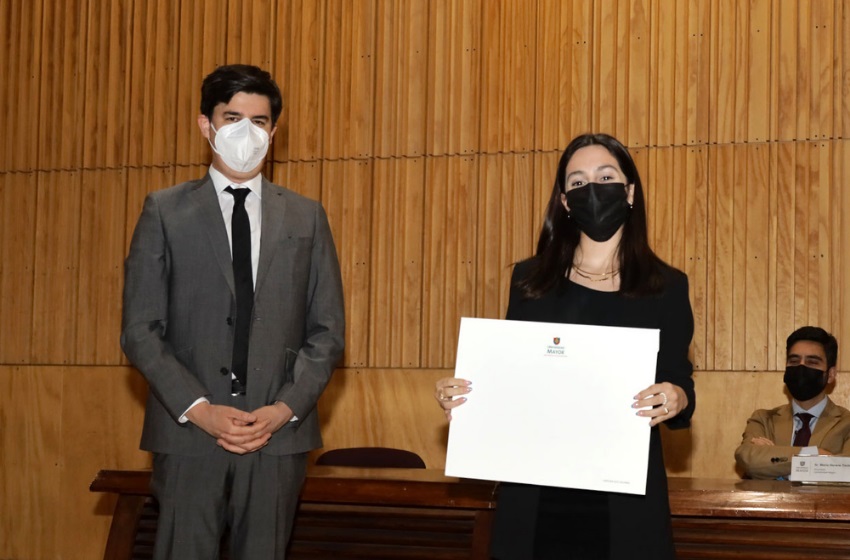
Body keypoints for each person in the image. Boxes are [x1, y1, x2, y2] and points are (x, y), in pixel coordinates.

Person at [435, 133, 695, 560]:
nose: (591, 188)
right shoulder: (530, 280)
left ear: (629, 191)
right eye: (577, 182)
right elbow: (512, 378)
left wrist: (677, 396)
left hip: (624, 495)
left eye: (605, 176)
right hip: (537, 495)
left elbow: (679, 379)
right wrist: (465, 398)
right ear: (564, 201)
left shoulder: (665, 286)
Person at [121, 64, 345, 559]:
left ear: (274, 131)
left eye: (259, 121)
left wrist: (283, 409)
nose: (246, 133)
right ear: (207, 125)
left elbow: (327, 331)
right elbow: (140, 329)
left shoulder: (307, 215)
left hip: (277, 435)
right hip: (188, 435)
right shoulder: (165, 210)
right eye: (232, 117)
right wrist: (200, 411)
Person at [735, 326, 850, 480]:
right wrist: (814, 454)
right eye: (794, 361)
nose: (801, 367)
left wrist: (775, 460)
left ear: (830, 375)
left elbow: (844, 472)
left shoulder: (846, 424)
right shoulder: (764, 419)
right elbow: (748, 459)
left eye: (812, 362)